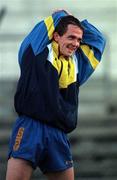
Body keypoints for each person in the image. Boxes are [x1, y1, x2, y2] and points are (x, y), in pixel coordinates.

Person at [6, 10, 106, 180]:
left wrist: (75, 23)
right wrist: (63, 16)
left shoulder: (77, 65)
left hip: (58, 133)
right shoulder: (35, 51)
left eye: (79, 40)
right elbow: (53, 19)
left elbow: (98, 40)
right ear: (56, 36)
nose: (76, 43)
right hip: (30, 127)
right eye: (71, 37)